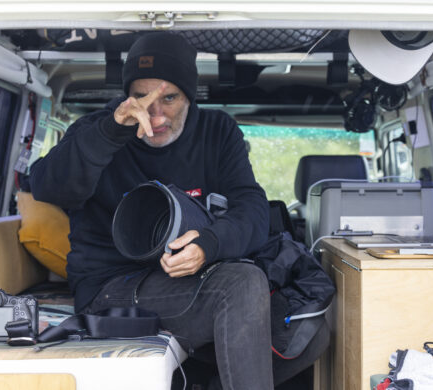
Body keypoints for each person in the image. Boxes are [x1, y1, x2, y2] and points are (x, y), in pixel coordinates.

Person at [30, 32, 327, 390]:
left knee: (312, 332)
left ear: (190, 96)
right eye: (141, 97)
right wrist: (110, 132)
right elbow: (47, 187)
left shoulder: (216, 131)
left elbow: (252, 207)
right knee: (241, 285)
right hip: (110, 288)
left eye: (169, 98)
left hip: (192, 281)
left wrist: (209, 244)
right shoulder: (99, 130)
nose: (154, 114)